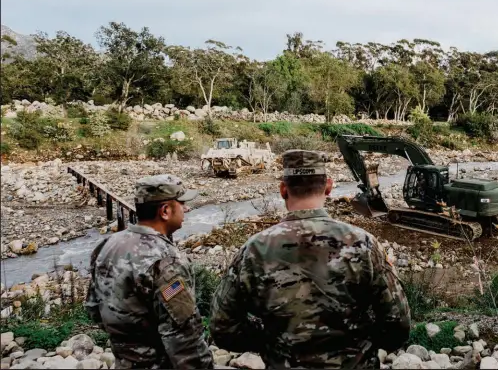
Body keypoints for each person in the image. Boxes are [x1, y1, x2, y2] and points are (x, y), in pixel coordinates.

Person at [210, 149, 411, 369]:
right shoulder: (364, 244)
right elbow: (398, 324)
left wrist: (269, 341)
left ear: (283, 190)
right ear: (329, 187)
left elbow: (222, 326)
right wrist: (361, 344)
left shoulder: (254, 249)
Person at [85, 174, 213, 369]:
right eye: (182, 203)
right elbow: (184, 335)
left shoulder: (107, 244)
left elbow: (93, 308)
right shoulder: (166, 260)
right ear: (165, 211)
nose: (186, 209)